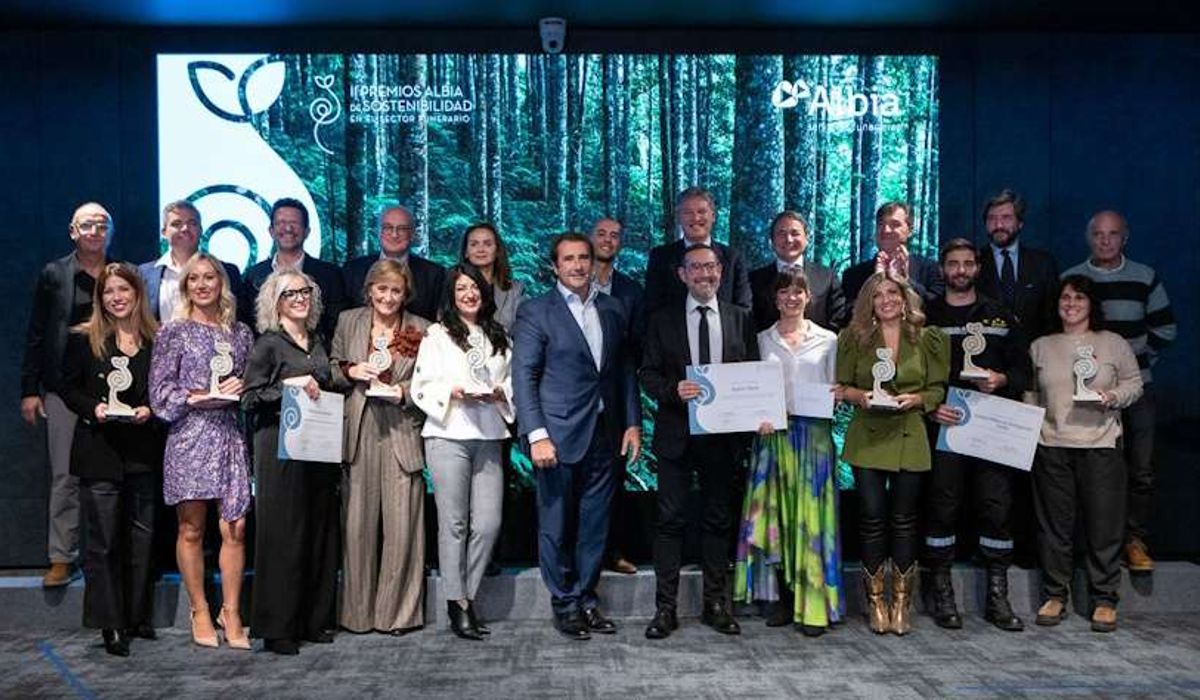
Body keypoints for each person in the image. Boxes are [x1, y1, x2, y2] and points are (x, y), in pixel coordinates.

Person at [512, 233, 641, 641]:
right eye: (568, 259)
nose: (578, 265)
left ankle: (587, 599)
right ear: (555, 266)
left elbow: (623, 370)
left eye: (583, 257)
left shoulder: (612, 308)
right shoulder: (536, 311)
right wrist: (536, 434)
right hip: (556, 435)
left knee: (595, 525)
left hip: (606, 434)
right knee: (556, 524)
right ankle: (564, 604)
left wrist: (633, 423)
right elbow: (524, 377)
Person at [641, 243, 759, 640]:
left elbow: (753, 376)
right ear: (682, 274)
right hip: (676, 434)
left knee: (718, 520)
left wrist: (756, 414)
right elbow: (648, 374)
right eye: (695, 268)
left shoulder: (741, 318)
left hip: (723, 439)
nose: (704, 274)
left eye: (711, 267)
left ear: (721, 272)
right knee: (669, 520)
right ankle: (665, 609)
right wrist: (674, 390)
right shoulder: (662, 320)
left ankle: (716, 605)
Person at [922, 239, 1030, 632]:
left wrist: (1002, 379)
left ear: (978, 268)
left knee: (995, 507)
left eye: (968, 263)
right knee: (942, 506)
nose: (961, 270)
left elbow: (1023, 370)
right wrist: (931, 406)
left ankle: (997, 596)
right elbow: (914, 373)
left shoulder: (999, 314)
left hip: (992, 426)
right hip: (947, 424)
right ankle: (941, 592)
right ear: (942, 269)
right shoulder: (927, 316)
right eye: (953, 264)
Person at [149, 252, 254, 649]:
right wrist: (192, 398)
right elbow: (160, 392)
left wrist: (241, 386)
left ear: (221, 283)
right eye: (194, 279)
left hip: (228, 434)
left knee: (236, 527)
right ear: (185, 286)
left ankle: (232, 611)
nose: (202, 285)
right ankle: (199, 610)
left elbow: (249, 381)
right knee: (191, 528)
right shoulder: (173, 332)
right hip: (189, 435)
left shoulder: (240, 333)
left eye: (209, 277)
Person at [835, 272, 948, 636]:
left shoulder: (928, 337)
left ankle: (901, 603)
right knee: (871, 518)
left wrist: (919, 399)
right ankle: (875, 602)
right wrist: (859, 396)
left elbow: (937, 388)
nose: (886, 299)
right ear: (868, 302)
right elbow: (842, 387)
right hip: (867, 436)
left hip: (909, 432)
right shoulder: (852, 338)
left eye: (892, 292)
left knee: (904, 520)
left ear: (904, 298)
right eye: (878, 294)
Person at [1062, 210, 1175, 572]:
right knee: (1090, 471)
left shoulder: (1145, 277)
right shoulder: (1072, 280)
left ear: (1124, 238)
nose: (1105, 241)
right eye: (1098, 234)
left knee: (1140, 468)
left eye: (1112, 234)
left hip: (1137, 391)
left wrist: (1132, 366)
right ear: (1088, 238)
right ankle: (1090, 543)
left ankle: (1134, 539)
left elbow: (1166, 330)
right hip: (1085, 394)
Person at [1029, 275, 1143, 633]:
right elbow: (1031, 394)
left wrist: (1113, 396)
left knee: (1103, 527)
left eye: (1079, 298)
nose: (1071, 304)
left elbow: (1134, 384)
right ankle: (1054, 595)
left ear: (1091, 304)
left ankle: (1104, 599)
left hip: (1101, 446)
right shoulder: (1041, 346)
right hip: (1052, 446)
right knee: (1054, 529)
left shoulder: (1113, 343)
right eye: (1065, 298)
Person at [60, 263, 162, 656]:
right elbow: (67, 387)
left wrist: (151, 408)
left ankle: (135, 616)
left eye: (124, 289)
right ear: (100, 298)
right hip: (99, 451)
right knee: (103, 543)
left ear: (138, 293)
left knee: (141, 539)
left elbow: (163, 388)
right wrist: (93, 408)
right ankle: (111, 623)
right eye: (108, 291)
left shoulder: (156, 340)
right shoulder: (83, 339)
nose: (116, 297)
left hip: (142, 451)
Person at [733, 270, 841, 637]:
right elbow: (750, 389)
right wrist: (755, 415)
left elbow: (836, 389)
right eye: (784, 292)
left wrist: (836, 399)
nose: (791, 297)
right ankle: (781, 597)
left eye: (798, 291)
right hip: (773, 437)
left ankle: (812, 605)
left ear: (809, 297)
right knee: (775, 518)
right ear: (775, 298)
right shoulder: (761, 340)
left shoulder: (829, 340)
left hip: (814, 438)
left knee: (812, 522)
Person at [412, 265, 514, 640]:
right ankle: (457, 602)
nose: (469, 293)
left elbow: (512, 381)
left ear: (484, 293)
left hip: (488, 434)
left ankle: (466, 596)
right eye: (461, 288)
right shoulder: (437, 335)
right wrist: (451, 392)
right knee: (453, 524)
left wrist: (501, 393)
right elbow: (421, 384)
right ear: (451, 296)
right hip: (448, 434)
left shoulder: (498, 335)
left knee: (488, 523)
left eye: (474, 287)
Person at [330, 260, 430, 635]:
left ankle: (397, 615)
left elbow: (431, 381)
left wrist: (402, 392)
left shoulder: (423, 328)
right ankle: (356, 615)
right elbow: (329, 367)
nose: (388, 297)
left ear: (406, 294)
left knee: (402, 529)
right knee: (357, 529)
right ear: (370, 289)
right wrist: (349, 371)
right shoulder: (349, 322)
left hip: (401, 430)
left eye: (396, 291)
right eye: (382, 289)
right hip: (358, 430)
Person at [242, 270, 339, 655]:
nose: (300, 298)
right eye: (290, 293)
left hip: (317, 444)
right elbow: (249, 398)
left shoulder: (317, 340)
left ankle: (311, 621)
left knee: (317, 529)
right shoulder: (268, 344)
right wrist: (287, 387)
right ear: (275, 302)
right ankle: (278, 627)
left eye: (305, 291)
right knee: (283, 534)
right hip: (278, 447)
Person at [20, 202, 113, 588]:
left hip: (112, 387)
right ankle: (61, 557)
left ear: (110, 232)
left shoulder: (121, 273)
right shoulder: (55, 274)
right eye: (87, 225)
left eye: (101, 225)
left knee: (111, 477)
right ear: (73, 232)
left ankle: (111, 556)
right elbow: (37, 332)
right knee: (65, 475)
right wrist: (30, 389)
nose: (94, 231)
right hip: (63, 387)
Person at [590, 216, 644, 575]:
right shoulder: (571, 284)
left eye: (615, 235)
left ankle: (613, 551)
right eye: (601, 234)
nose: (608, 240)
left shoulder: (630, 291)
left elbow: (635, 349)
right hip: (574, 403)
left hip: (616, 399)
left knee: (614, 481)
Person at [240, 198, 346, 343]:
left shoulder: (330, 275)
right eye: (281, 223)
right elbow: (248, 323)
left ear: (307, 231)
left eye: (294, 223)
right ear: (271, 231)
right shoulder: (254, 275)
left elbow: (336, 326)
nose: (288, 228)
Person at [644, 186, 752, 313]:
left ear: (713, 216)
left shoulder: (733, 258)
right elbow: (652, 308)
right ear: (678, 218)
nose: (695, 218)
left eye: (701, 212)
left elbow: (743, 309)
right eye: (688, 212)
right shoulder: (661, 257)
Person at [974, 189, 1060, 341]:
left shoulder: (1043, 264)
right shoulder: (973, 262)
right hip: (985, 349)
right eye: (992, 218)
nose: (998, 225)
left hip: (1033, 348)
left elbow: (1053, 316)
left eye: (1006, 218)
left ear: (1020, 223)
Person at [139, 200, 243, 322]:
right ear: (164, 232)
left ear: (201, 230)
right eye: (176, 224)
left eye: (192, 223)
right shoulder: (144, 273)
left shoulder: (228, 272)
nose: (185, 228)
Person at [344, 205, 446, 323]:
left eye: (402, 229)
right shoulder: (353, 270)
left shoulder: (434, 274)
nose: (394, 234)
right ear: (379, 232)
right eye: (388, 228)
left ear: (412, 234)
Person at [749, 210, 845, 331]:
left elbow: (838, 321)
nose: (789, 239)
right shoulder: (754, 280)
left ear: (807, 238)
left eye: (795, 233)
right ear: (772, 240)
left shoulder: (827, 277)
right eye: (782, 233)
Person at [841, 202, 944, 309]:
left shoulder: (932, 270)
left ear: (910, 230)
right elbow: (850, 314)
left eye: (895, 224)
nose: (886, 230)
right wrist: (876, 282)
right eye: (881, 224)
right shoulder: (853, 275)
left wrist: (905, 281)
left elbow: (936, 309)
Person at [459, 222, 525, 332]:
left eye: (488, 244)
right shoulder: (452, 288)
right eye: (474, 244)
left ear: (497, 250)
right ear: (466, 252)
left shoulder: (515, 291)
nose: (481, 249)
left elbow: (523, 330)